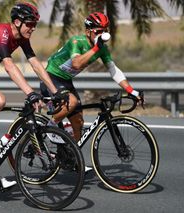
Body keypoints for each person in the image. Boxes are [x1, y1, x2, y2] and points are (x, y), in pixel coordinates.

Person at [0, 2, 68, 189]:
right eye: (30, 24)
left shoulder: (22, 38)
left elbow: (36, 65)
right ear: (17, 22)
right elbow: (9, 65)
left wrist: (56, 91)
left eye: (35, 25)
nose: (33, 28)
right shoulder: (3, 33)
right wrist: (30, 93)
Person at [40, 12, 144, 172]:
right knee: (72, 102)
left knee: (79, 122)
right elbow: (76, 64)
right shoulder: (77, 41)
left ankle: (70, 157)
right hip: (50, 78)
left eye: (104, 31)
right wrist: (96, 47)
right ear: (88, 31)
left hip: (66, 82)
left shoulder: (101, 48)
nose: (101, 35)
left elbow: (113, 70)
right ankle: (48, 127)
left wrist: (132, 90)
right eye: (97, 31)